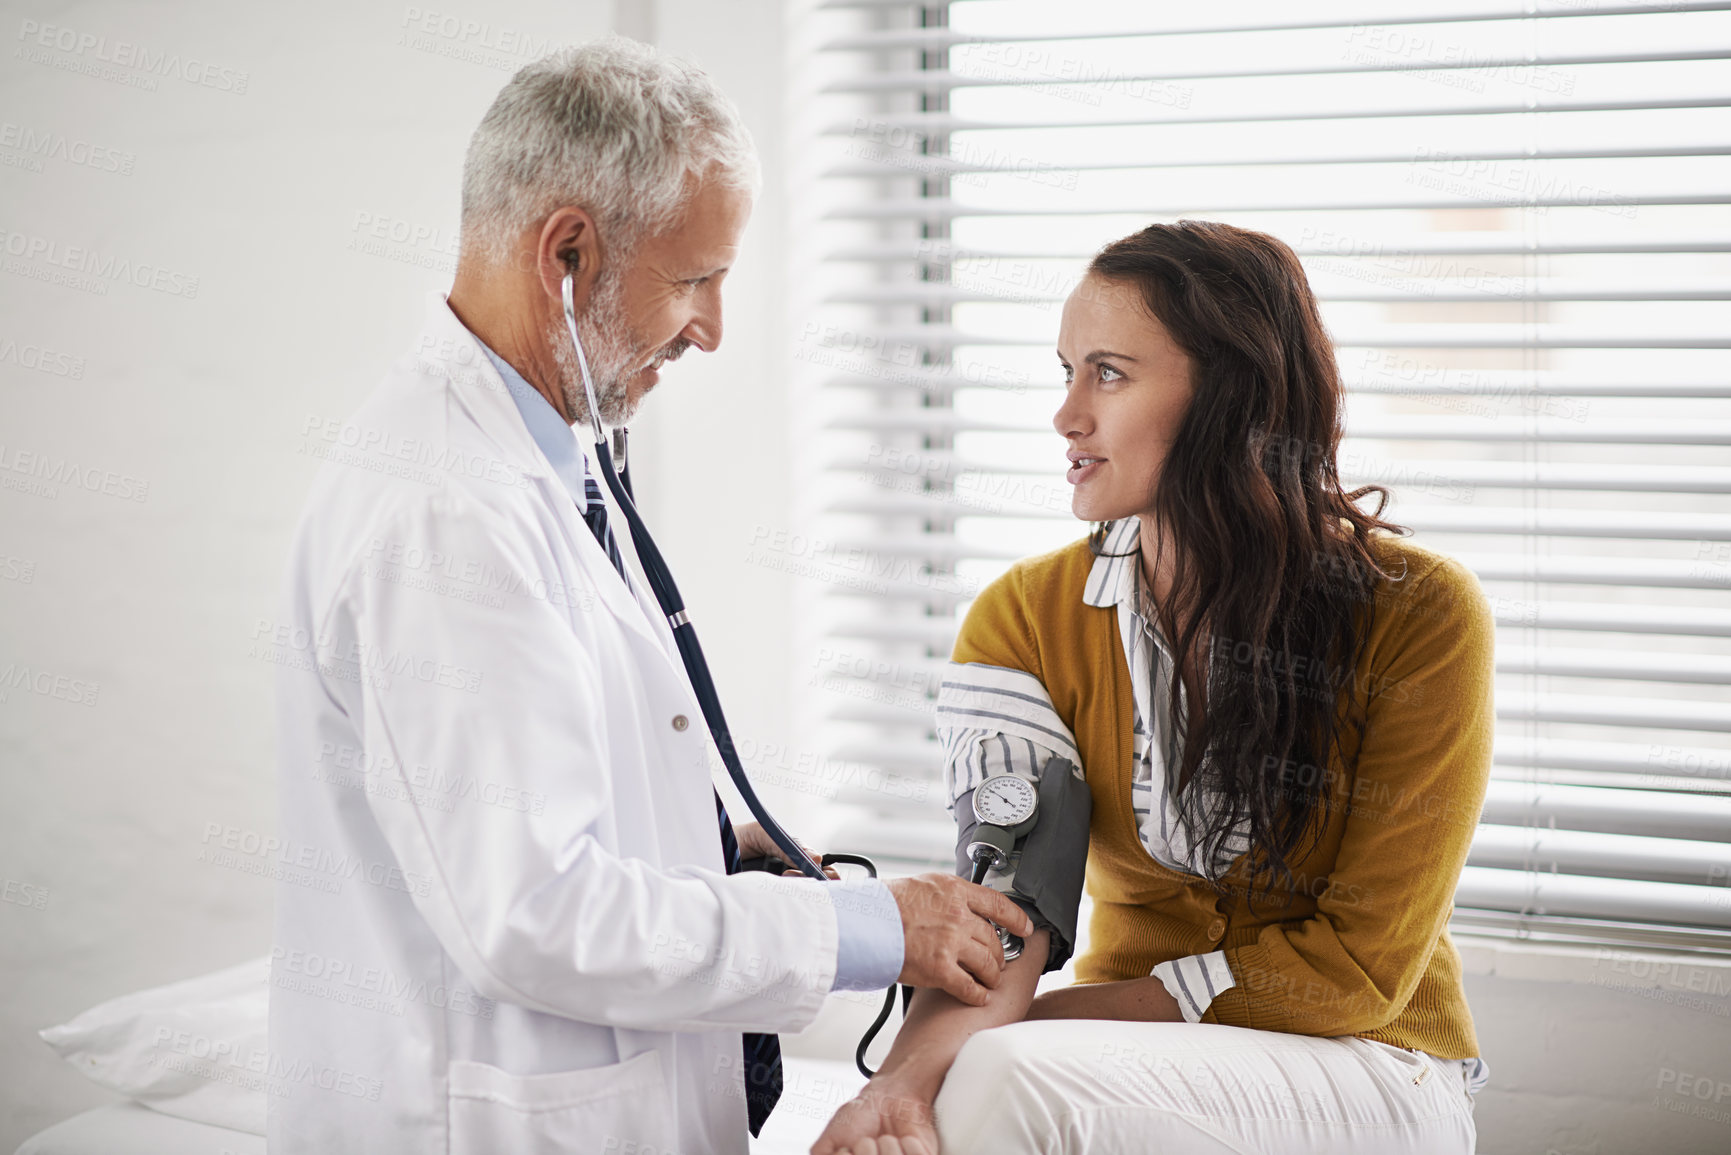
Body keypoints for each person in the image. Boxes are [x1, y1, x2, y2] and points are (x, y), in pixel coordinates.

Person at [268, 39, 1030, 1155]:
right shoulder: (445, 511)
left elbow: (531, 785)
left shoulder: (542, 461)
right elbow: (536, 916)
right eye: (694, 280)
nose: (713, 330)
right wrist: (866, 928)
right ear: (567, 254)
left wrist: (708, 848)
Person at [813, 221, 1495, 1155]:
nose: (1066, 416)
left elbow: (1352, 973)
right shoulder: (1024, 618)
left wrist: (1038, 1024)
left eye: (1108, 373)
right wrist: (892, 1087)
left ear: (1227, 395)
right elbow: (1008, 913)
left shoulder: (1418, 613)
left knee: (1004, 1071)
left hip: (1373, 1061)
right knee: (962, 1079)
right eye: (1065, 371)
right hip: (1128, 1057)